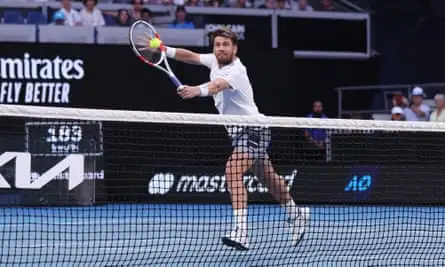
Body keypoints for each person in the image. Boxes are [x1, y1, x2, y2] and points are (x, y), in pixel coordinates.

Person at [162, 28, 309, 250]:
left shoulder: (236, 71)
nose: (221, 48)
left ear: (235, 48)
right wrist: (165, 50)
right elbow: (191, 56)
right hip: (239, 132)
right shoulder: (214, 61)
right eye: (218, 44)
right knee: (267, 177)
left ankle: (242, 232)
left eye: (225, 45)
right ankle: (295, 212)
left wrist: (196, 90)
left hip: (254, 129)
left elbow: (217, 86)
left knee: (233, 169)